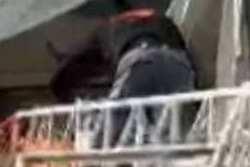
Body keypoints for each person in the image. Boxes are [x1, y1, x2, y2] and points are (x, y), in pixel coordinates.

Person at [49, 7, 196, 103]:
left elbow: (74, 54)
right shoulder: (163, 20)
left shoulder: (107, 28)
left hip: (138, 63)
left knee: (116, 123)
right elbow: (180, 47)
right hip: (175, 63)